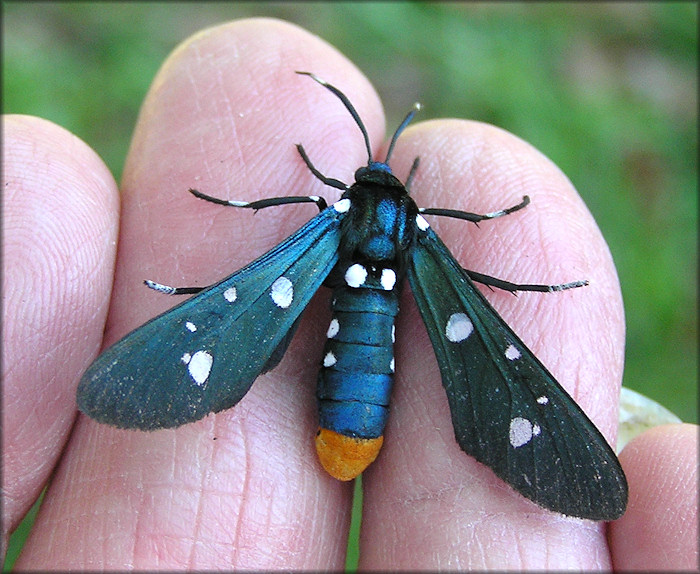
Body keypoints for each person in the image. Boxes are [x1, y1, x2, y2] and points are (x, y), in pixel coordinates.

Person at [3, 18, 696, 571]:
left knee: (242, 298)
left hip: (347, 416)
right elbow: (484, 276)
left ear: (349, 194)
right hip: (349, 415)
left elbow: (276, 240)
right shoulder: (413, 234)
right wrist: (490, 238)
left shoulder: (331, 216)